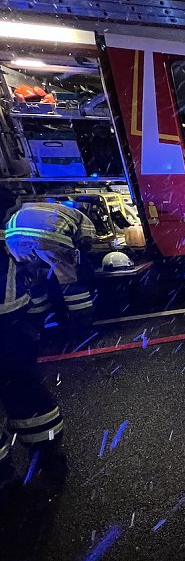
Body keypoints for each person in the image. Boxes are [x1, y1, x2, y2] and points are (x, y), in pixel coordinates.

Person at [0, 190, 64, 485]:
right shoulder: (13, 227)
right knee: (24, 389)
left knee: (22, 388)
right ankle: (47, 453)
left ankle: (10, 474)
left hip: (10, 319)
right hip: (11, 321)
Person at [4, 199, 97, 327]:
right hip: (48, 237)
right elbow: (86, 242)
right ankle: (82, 320)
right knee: (70, 279)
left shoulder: (33, 207)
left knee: (34, 279)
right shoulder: (82, 218)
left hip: (13, 240)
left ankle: (39, 320)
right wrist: (76, 261)